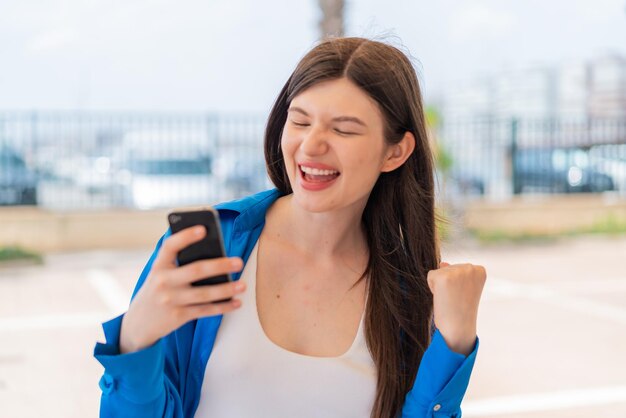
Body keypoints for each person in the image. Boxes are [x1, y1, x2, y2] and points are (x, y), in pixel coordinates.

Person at [94, 36, 486, 418]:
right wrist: (135, 340)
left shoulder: (409, 289)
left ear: (395, 152)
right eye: (299, 121)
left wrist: (455, 340)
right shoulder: (213, 249)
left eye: (344, 129)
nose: (311, 145)